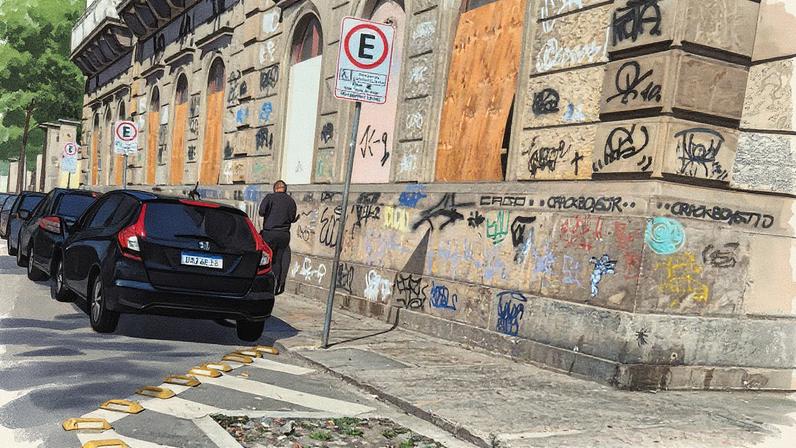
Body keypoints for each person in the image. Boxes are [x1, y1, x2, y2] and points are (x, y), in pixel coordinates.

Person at [258, 180, 298, 295]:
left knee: (264, 258)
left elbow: (261, 212)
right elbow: (292, 218)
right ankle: (275, 286)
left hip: (269, 233)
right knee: (278, 260)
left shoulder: (270, 198)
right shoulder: (291, 201)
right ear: (285, 189)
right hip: (284, 235)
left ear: (275, 188)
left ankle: (262, 284)